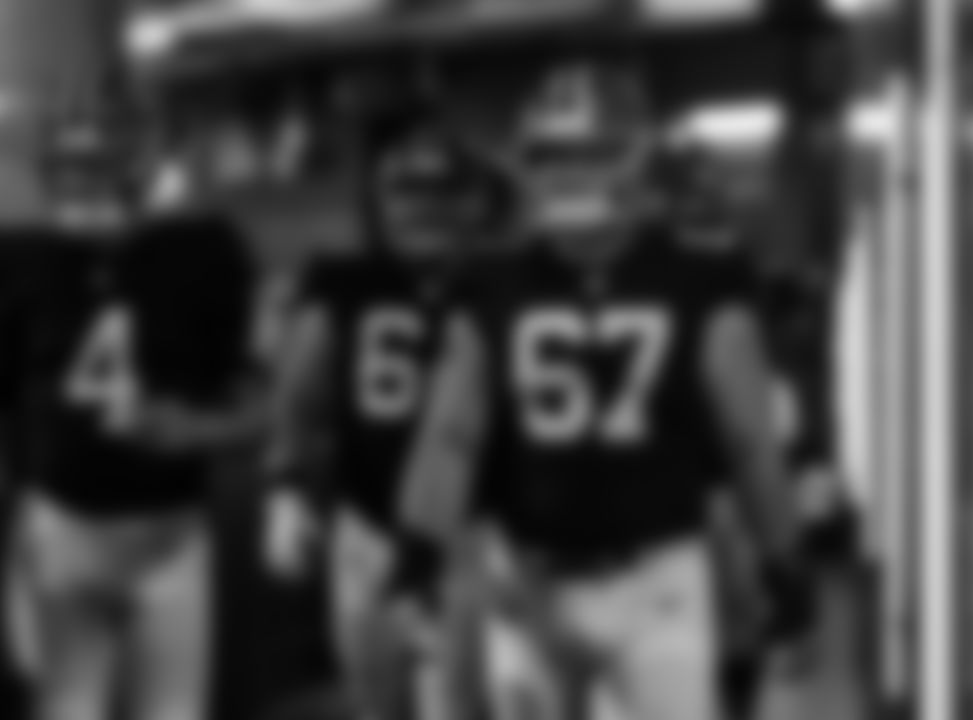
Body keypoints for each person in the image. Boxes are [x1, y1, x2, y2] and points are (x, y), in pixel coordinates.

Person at [396, 61, 813, 720]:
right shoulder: (495, 283)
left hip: (657, 576)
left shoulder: (699, 279)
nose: (569, 174)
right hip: (530, 576)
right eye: (554, 155)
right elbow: (453, 433)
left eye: (590, 154)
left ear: (633, 159)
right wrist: (419, 555)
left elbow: (748, 438)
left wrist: (778, 556)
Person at [0, 114, 267, 720]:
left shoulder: (202, 253)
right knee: (68, 707)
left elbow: (262, 403)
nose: (92, 184)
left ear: (141, 173)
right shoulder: (20, 262)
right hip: (61, 534)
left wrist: (196, 429)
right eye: (76, 167)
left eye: (107, 165)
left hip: (171, 533)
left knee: (173, 710)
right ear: (51, 177)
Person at [263, 95, 491, 720]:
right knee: (377, 703)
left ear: (471, 203)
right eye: (410, 193)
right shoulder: (345, 281)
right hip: (367, 524)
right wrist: (286, 483)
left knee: (462, 705)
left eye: (441, 193)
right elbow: (298, 385)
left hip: (468, 534)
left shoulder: (500, 284)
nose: (425, 208)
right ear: (383, 200)